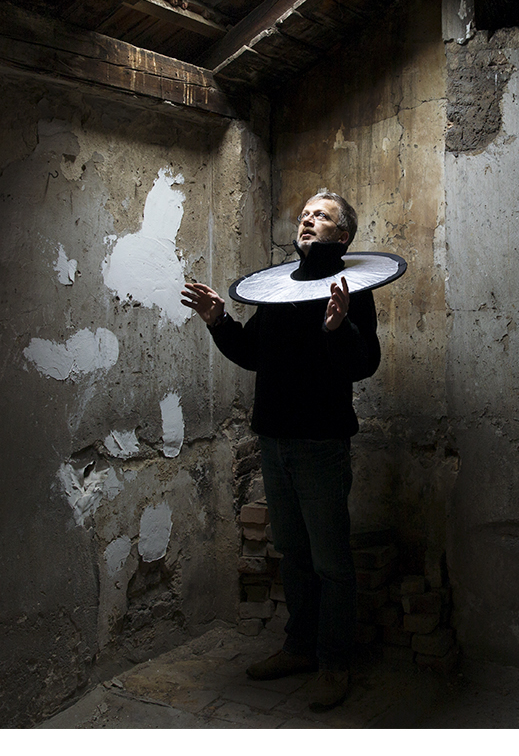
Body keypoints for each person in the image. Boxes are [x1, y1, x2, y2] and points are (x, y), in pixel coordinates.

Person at [180, 191, 381, 712]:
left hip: (321, 444)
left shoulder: (351, 288)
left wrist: (338, 327)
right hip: (273, 440)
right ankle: (299, 648)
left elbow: (364, 363)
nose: (308, 220)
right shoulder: (277, 288)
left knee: (330, 561)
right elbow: (253, 353)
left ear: (343, 235)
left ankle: (334, 663)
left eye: (322, 216)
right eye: (305, 214)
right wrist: (219, 321)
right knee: (293, 552)